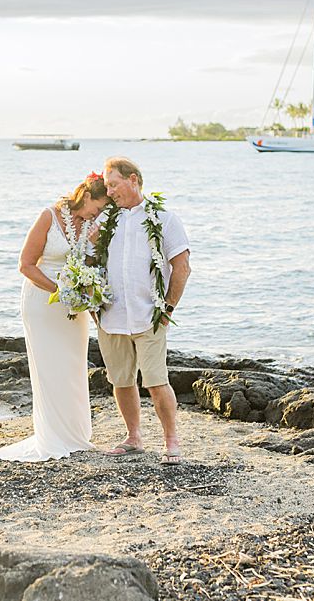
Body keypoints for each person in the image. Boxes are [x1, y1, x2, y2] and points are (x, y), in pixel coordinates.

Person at [0, 173, 110, 462]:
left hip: (74, 305)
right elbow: (26, 265)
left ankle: (75, 434)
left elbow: (92, 263)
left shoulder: (93, 226)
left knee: (72, 365)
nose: (100, 213)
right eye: (99, 206)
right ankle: (53, 435)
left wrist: (85, 287)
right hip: (42, 302)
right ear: (86, 195)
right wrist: (59, 290)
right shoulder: (49, 216)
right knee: (49, 366)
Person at [95, 157, 191, 464]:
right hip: (110, 316)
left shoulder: (164, 218)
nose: (109, 192)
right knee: (121, 380)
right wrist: (91, 301)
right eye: (107, 186)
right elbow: (86, 259)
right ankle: (133, 437)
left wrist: (168, 308)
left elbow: (182, 267)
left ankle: (171, 440)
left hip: (149, 314)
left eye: (113, 184)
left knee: (155, 380)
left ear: (133, 180)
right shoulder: (105, 221)